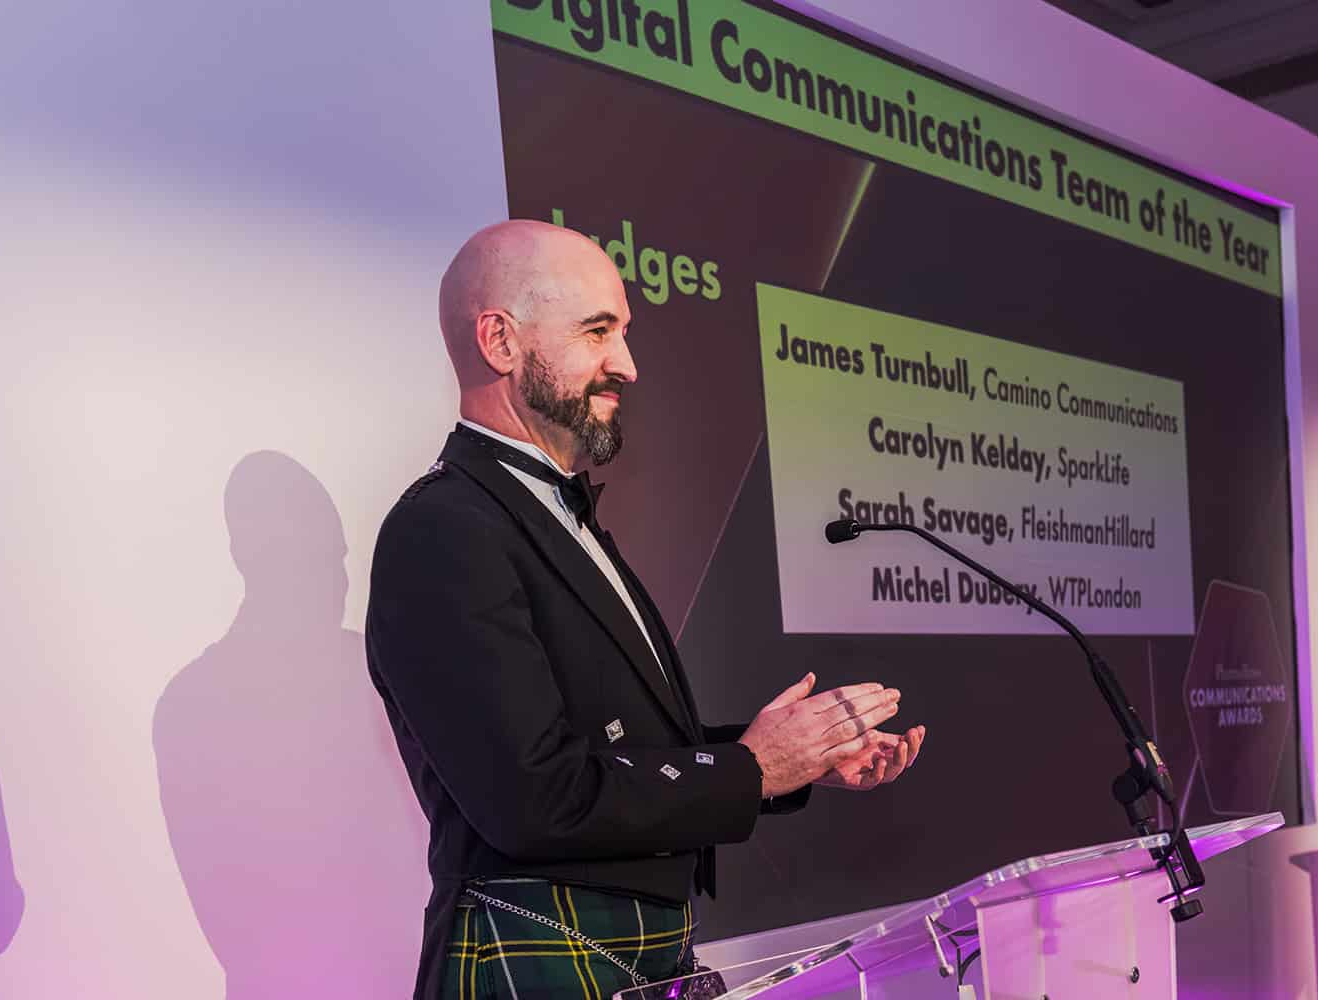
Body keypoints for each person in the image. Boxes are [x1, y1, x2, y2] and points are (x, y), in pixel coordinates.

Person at [365, 219, 925, 999]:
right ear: (499, 341)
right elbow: (535, 797)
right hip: (535, 949)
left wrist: (795, 759)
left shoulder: (553, 518)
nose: (626, 364)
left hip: (617, 949)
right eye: (598, 331)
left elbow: (621, 749)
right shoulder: (442, 530)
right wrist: (753, 768)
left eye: (623, 333)